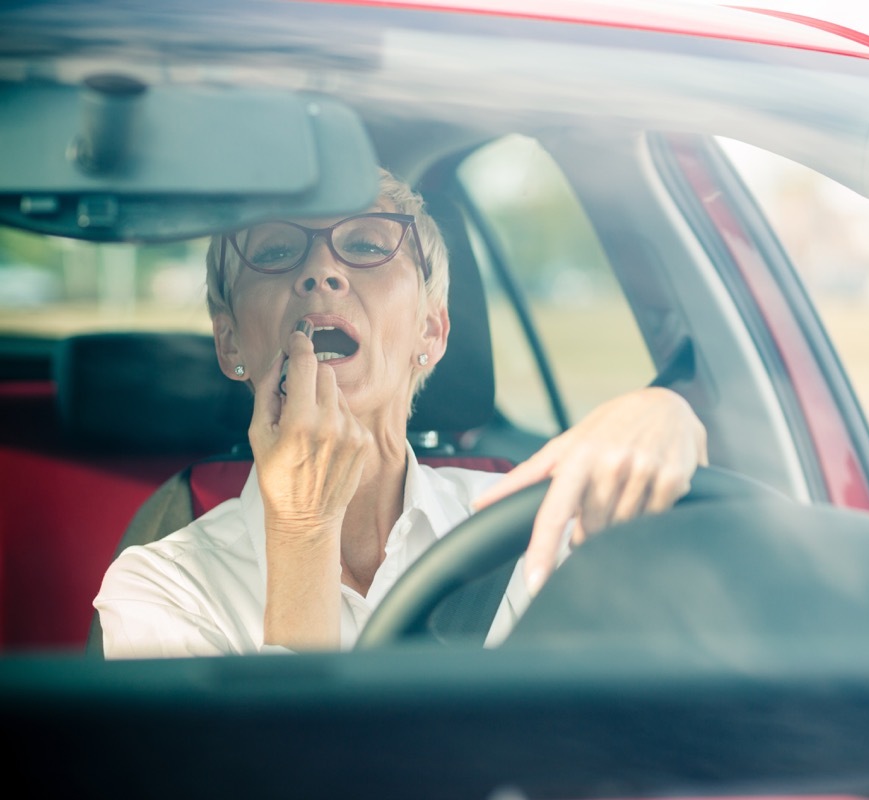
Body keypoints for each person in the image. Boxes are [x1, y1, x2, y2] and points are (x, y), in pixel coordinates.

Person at [94, 170, 708, 658]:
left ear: (432, 332)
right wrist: (303, 528)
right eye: (278, 251)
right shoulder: (160, 587)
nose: (321, 272)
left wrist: (672, 411)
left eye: (364, 245)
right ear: (230, 344)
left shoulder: (540, 528)